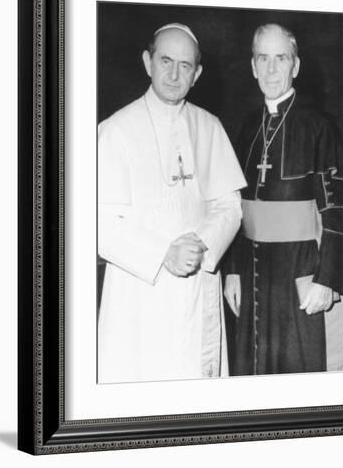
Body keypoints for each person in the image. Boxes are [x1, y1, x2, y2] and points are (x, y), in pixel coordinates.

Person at [98, 23, 247, 383]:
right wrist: (164, 252)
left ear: (196, 74)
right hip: (139, 293)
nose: (173, 73)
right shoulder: (115, 130)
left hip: (199, 285)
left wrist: (201, 246)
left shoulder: (210, 127)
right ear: (148, 61)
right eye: (165, 61)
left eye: (185, 65)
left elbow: (230, 206)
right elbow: (98, 223)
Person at [224, 23, 343, 375]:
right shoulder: (245, 126)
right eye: (263, 58)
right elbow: (236, 206)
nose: (271, 68)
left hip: (300, 272)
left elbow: (337, 208)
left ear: (296, 65)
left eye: (281, 58)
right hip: (251, 270)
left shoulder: (318, 126)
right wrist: (232, 273)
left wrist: (327, 278)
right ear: (252, 66)